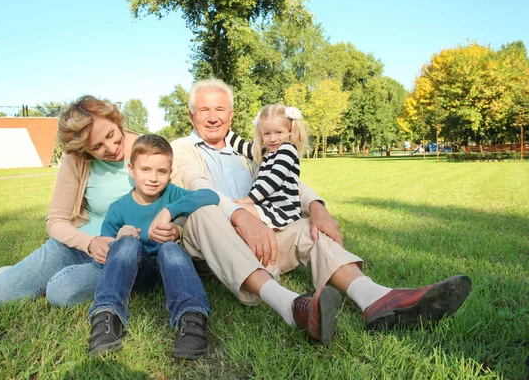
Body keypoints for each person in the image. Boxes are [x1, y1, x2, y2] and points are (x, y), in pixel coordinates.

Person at [170, 78, 472, 345]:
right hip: (214, 245)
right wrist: (241, 216)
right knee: (202, 209)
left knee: (306, 229)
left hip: (264, 241)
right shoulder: (181, 149)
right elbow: (198, 187)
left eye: (220, 109)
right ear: (191, 114)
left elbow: (285, 178)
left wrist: (316, 207)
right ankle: (292, 307)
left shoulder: (251, 149)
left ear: (231, 114)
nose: (213, 118)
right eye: (204, 110)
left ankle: (376, 298)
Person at [0, 96, 180, 308]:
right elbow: (56, 220)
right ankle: (21, 273)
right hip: (80, 244)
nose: (111, 147)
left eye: (111, 134)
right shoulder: (77, 160)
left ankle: (51, 277)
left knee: (61, 291)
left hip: (127, 254)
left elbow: (180, 205)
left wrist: (177, 230)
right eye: (97, 146)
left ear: (116, 119)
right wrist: (89, 243)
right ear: (84, 150)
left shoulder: (152, 149)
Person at [87, 134, 219, 359]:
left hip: (174, 269)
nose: (153, 178)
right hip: (140, 274)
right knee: (127, 243)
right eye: (145, 170)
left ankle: (192, 318)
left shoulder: (172, 193)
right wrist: (117, 241)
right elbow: (101, 259)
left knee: (169, 248)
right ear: (131, 169)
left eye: (162, 171)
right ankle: (106, 318)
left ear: (170, 171)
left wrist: (169, 211)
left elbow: (210, 195)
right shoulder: (118, 208)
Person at [232, 103, 307, 231]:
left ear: (290, 131)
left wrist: (248, 200)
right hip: (268, 209)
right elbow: (243, 146)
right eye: (267, 134)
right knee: (234, 215)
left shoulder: (287, 149)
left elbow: (274, 180)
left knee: (234, 210)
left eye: (279, 132)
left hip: (283, 212)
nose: (273, 139)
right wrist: (222, 129)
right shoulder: (267, 152)